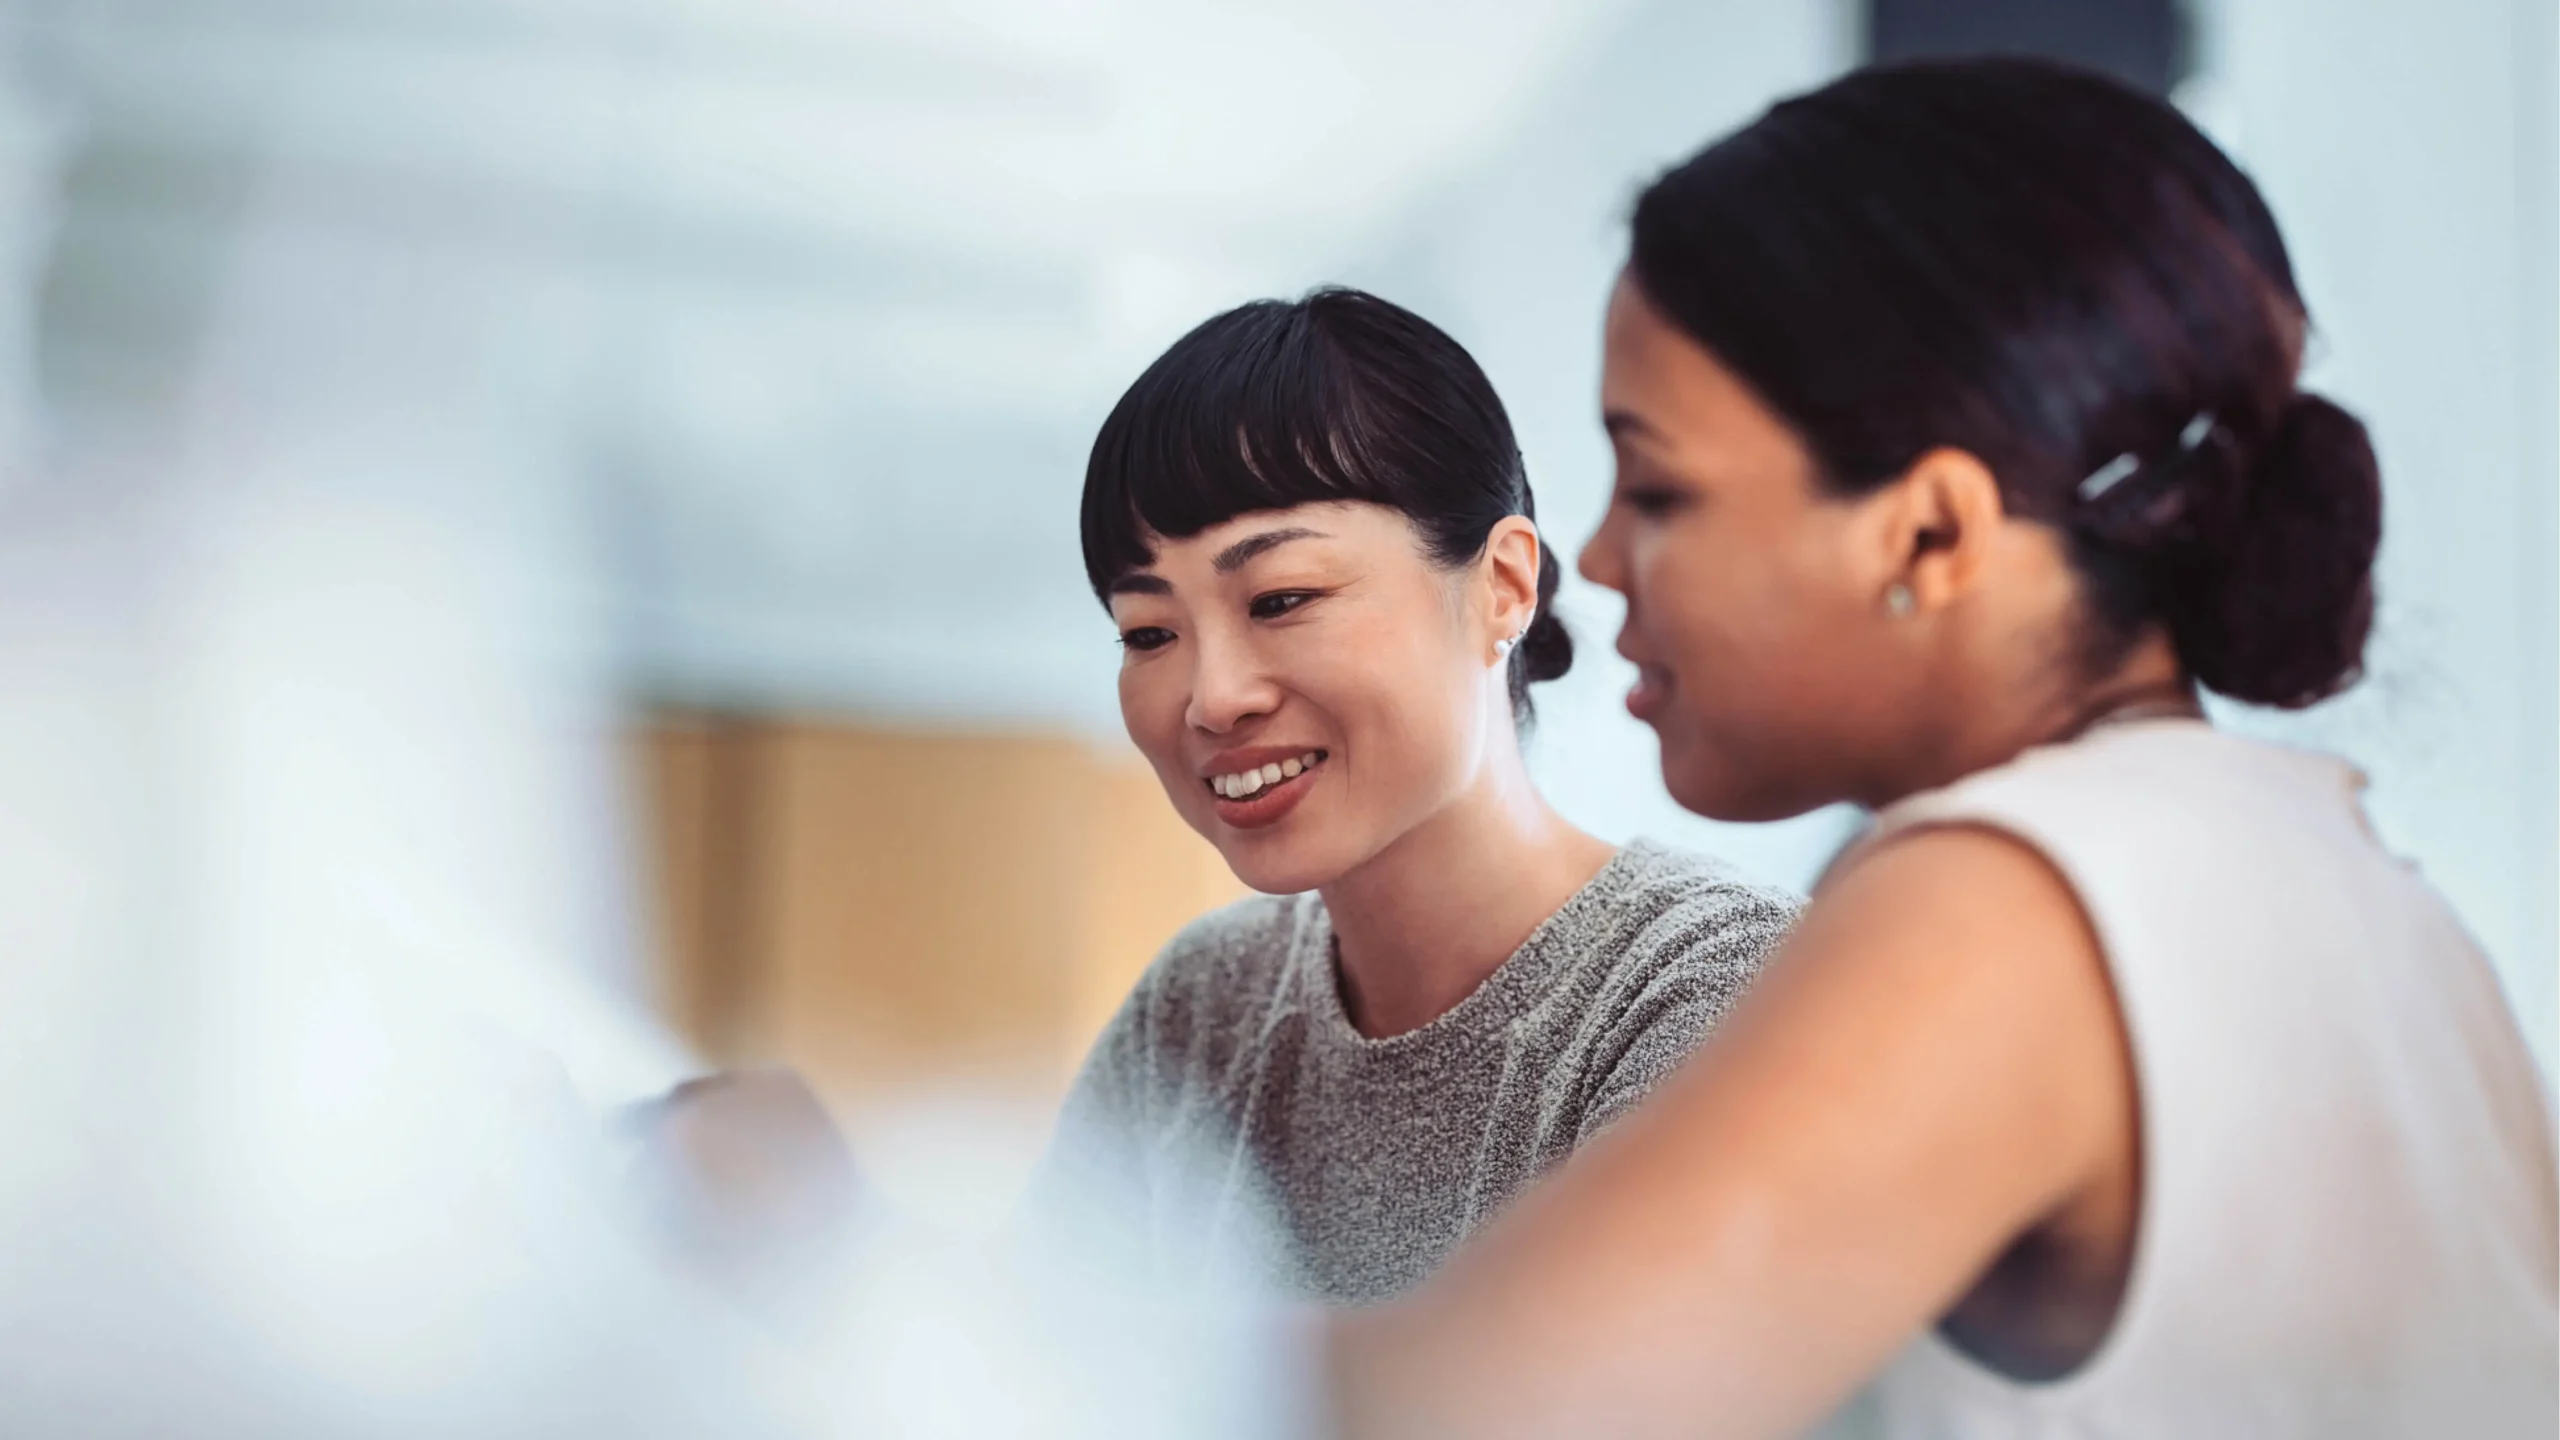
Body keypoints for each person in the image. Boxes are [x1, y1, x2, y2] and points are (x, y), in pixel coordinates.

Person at [1330, 59, 2558, 1437]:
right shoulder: (2356, 882)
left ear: (1930, 532)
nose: (1598, 560)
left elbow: (1465, 1414)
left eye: (1660, 486)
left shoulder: (2013, 897)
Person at [1040, 286, 1798, 1305]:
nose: (1212, 699)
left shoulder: (1716, 992)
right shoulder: (1200, 1007)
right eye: (1147, 633)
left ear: (1502, 587)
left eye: (1282, 599)